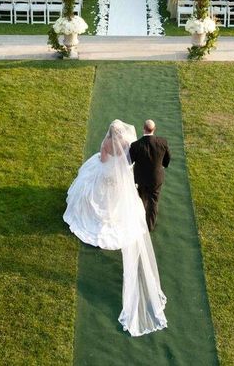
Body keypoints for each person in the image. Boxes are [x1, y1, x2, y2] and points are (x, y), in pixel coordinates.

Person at [64, 120, 167, 337]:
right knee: (130, 201)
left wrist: (110, 165)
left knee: (95, 189)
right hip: (120, 179)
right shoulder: (128, 143)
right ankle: (147, 221)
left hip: (107, 176)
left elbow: (103, 160)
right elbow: (127, 162)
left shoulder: (107, 144)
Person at [129, 119, 171, 232]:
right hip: (156, 178)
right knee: (153, 202)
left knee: (141, 199)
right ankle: (149, 226)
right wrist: (163, 166)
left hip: (140, 179)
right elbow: (167, 160)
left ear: (143, 128)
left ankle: (139, 221)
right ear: (154, 129)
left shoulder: (135, 145)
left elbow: (130, 161)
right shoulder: (163, 142)